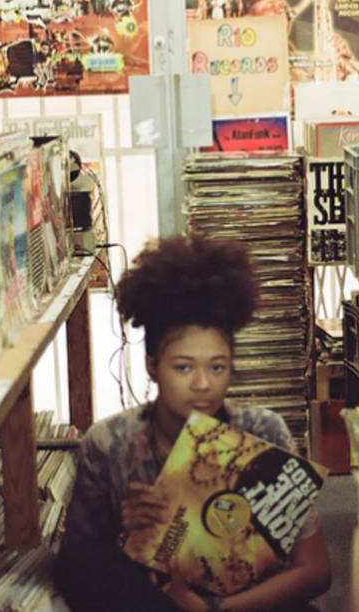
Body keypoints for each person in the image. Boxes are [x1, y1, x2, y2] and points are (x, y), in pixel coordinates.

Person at [54, 234, 331, 612]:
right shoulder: (109, 445)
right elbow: (75, 576)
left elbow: (316, 570)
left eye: (217, 367)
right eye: (183, 368)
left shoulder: (262, 432)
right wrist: (124, 535)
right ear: (152, 365)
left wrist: (216, 610)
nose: (203, 384)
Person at [245, 0, 359, 81]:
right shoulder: (246, 58)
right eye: (271, 5)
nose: (282, 11)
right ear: (248, 18)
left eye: (283, 7)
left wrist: (338, 71)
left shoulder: (299, 59)